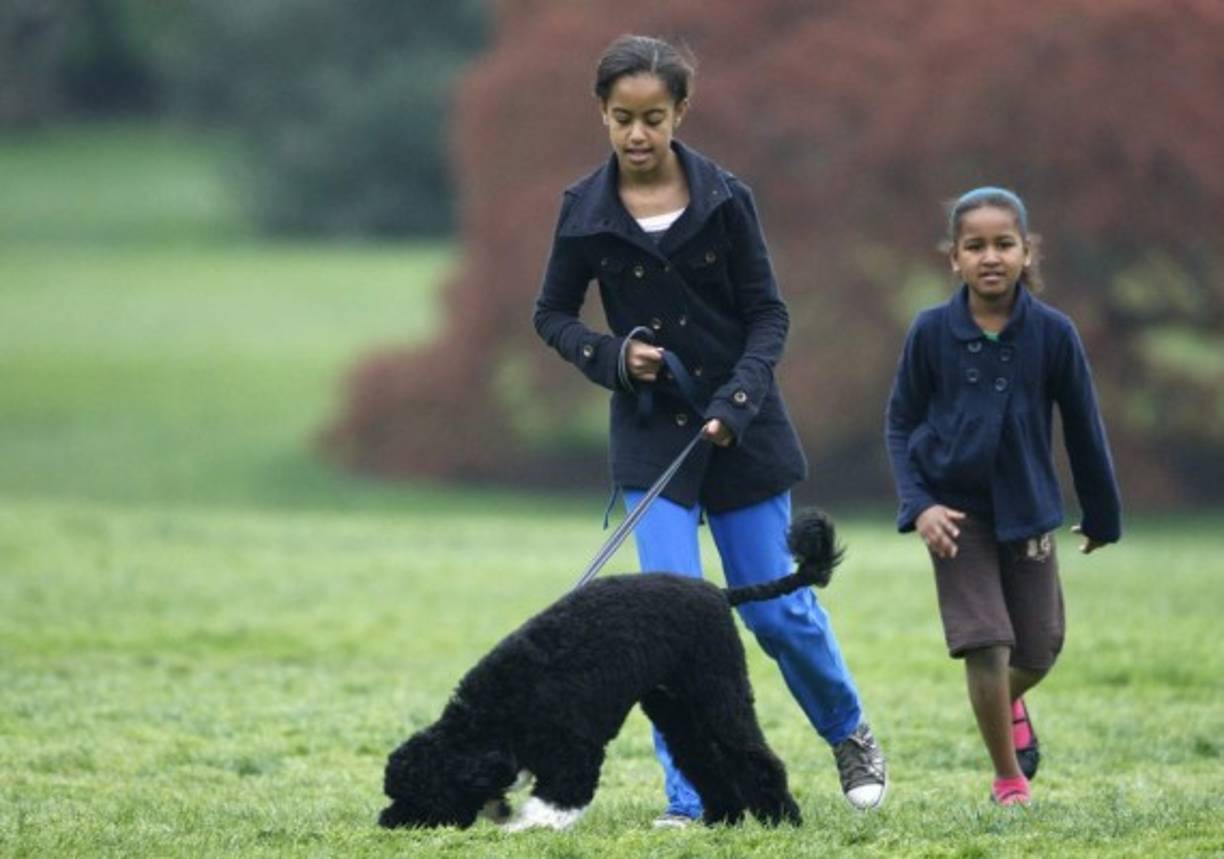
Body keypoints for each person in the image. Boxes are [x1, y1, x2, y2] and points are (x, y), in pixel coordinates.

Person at [533, 34, 887, 826]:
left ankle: (848, 730)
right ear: (601, 113)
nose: (636, 134)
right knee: (668, 621)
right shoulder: (583, 212)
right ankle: (689, 796)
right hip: (652, 436)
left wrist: (740, 396)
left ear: (680, 112)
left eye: (653, 118)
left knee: (775, 612)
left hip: (742, 428)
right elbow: (551, 315)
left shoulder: (727, 199)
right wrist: (615, 355)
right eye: (621, 117)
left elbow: (769, 313)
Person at [885, 187, 1122, 806]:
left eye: (1004, 244)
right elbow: (900, 422)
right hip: (955, 514)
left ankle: (1006, 701)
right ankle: (1008, 779)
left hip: (1029, 514)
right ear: (954, 259)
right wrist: (921, 505)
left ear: (1026, 251)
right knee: (986, 640)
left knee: (1039, 648)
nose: (990, 256)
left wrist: (1102, 515)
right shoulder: (931, 332)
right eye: (975, 245)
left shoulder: (1053, 334)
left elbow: (1083, 425)